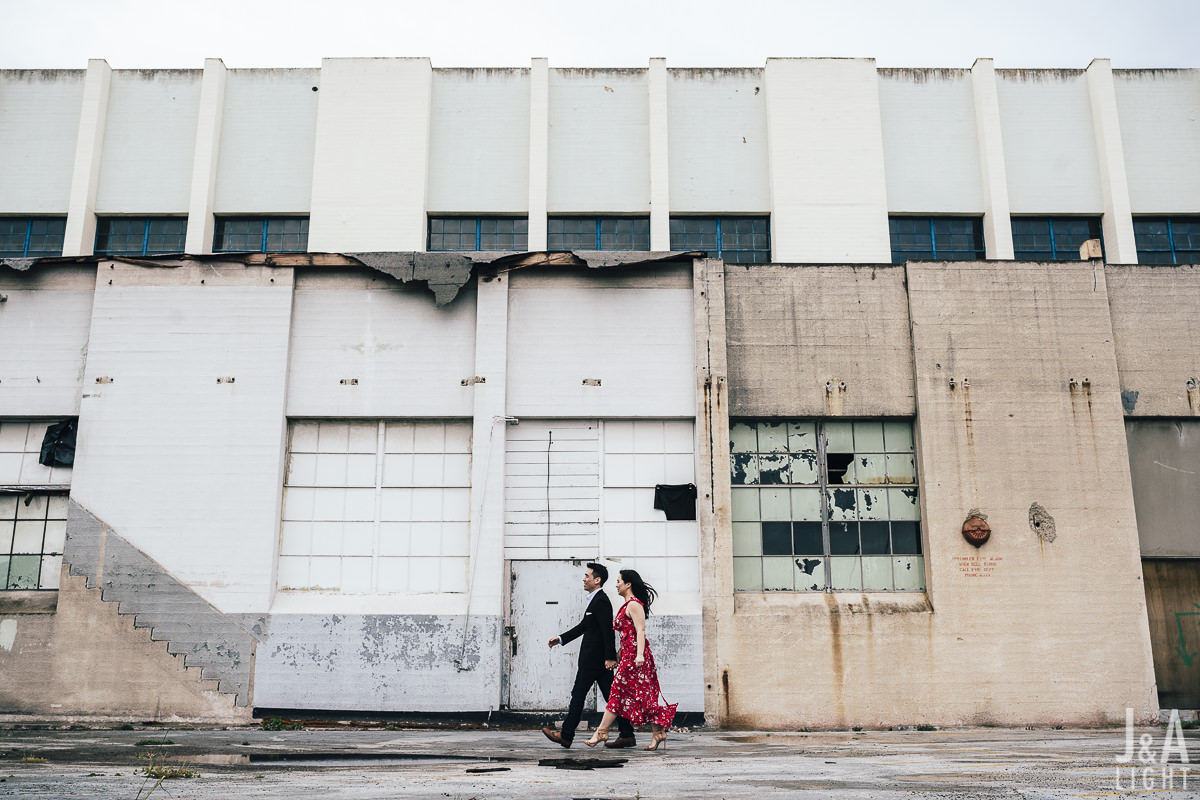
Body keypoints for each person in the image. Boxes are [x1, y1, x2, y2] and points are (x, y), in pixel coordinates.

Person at [541, 562, 637, 749]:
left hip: (595, 660)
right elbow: (584, 626)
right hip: (597, 661)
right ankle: (627, 734)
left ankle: (566, 735)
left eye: (587, 576)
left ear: (597, 580)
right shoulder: (595, 600)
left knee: (578, 696)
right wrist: (560, 639)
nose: (584, 579)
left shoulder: (601, 601)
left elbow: (607, 631)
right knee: (612, 698)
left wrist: (610, 657)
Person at [584, 569, 677, 752]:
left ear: (628, 584)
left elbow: (640, 631)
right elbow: (629, 634)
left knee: (619, 693)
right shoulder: (627, 605)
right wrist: (619, 653)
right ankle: (658, 732)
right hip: (629, 656)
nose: (616, 584)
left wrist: (640, 655)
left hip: (636, 659)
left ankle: (602, 731)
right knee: (639, 696)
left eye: (619, 581)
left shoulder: (634, 605)